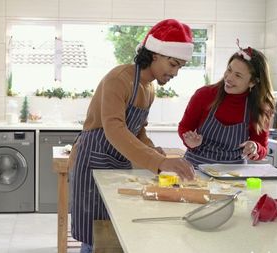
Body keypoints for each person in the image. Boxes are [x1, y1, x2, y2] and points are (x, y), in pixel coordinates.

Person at [68, 19, 196, 253]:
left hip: (116, 162)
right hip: (92, 163)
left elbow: (138, 130)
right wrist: (158, 162)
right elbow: (114, 128)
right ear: (155, 54)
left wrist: (154, 150)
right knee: (94, 235)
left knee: (114, 230)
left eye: (180, 67)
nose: (175, 72)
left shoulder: (149, 88)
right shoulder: (120, 78)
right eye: (173, 64)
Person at [178, 41, 275, 167]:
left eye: (238, 75)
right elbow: (184, 127)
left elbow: (262, 148)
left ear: (253, 82)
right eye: (229, 70)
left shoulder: (260, 107)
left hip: (232, 176)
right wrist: (189, 140)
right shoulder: (204, 95)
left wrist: (255, 147)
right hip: (195, 170)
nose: (229, 78)